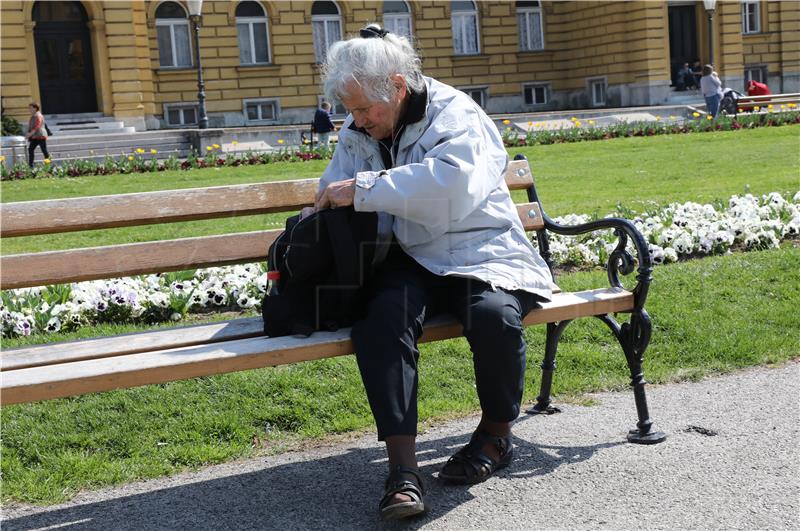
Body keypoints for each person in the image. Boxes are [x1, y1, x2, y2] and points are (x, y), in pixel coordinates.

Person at [311, 24, 553, 520]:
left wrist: (363, 188)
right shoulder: (359, 130)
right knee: (381, 320)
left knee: (494, 317)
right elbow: (333, 187)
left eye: (363, 109)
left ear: (397, 87)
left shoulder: (455, 113)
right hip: (408, 257)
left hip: (479, 250)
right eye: (350, 110)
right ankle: (402, 470)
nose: (355, 120)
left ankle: (496, 435)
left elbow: (452, 188)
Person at [26, 102, 50, 167]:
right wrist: (28, 133)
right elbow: (30, 126)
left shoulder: (39, 115)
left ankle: (49, 164)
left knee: (44, 150)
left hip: (40, 136)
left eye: (30, 108)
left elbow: (37, 126)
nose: (29, 109)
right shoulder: (32, 116)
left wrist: (30, 134)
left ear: (35, 108)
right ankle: (31, 165)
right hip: (35, 137)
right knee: (30, 149)